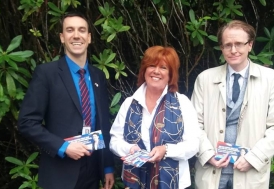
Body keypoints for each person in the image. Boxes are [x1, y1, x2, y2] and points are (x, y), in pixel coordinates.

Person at [18, 11, 114, 189]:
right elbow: (27, 122)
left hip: (93, 170)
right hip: (60, 173)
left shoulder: (98, 76)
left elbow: (103, 124)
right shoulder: (47, 74)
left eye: (82, 30)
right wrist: (63, 147)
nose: (76, 35)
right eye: (70, 30)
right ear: (62, 37)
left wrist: (107, 166)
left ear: (89, 37)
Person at [191, 20, 274, 189]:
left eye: (239, 44)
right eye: (227, 45)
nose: (233, 50)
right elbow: (193, 124)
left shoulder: (270, 79)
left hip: (249, 172)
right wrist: (207, 155)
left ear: (250, 45)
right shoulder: (205, 79)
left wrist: (253, 159)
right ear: (221, 48)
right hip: (213, 170)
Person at [110, 46, 200, 189]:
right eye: (152, 66)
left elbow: (194, 144)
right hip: (134, 182)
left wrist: (167, 150)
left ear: (171, 74)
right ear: (144, 70)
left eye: (163, 67)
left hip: (174, 184)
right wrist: (130, 148)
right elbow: (114, 140)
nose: (156, 71)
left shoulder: (182, 103)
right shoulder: (129, 104)